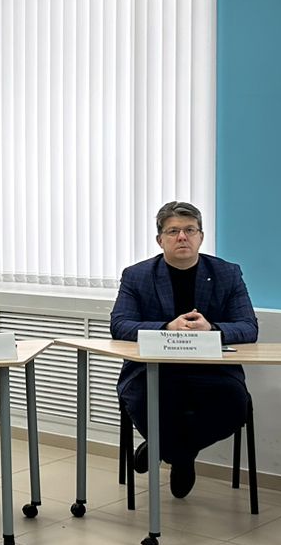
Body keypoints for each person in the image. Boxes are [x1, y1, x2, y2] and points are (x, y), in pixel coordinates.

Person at [111, 200, 259, 499]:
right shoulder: (137, 275)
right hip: (151, 369)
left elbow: (248, 328)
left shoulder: (227, 273)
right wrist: (167, 327)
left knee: (234, 406)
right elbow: (120, 325)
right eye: (173, 231)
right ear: (160, 240)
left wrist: (212, 328)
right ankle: (181, 458)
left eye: (190, 230)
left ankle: (168, 450)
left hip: (213, 371)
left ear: (201, 237)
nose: (182, 237)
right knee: (147, 401)